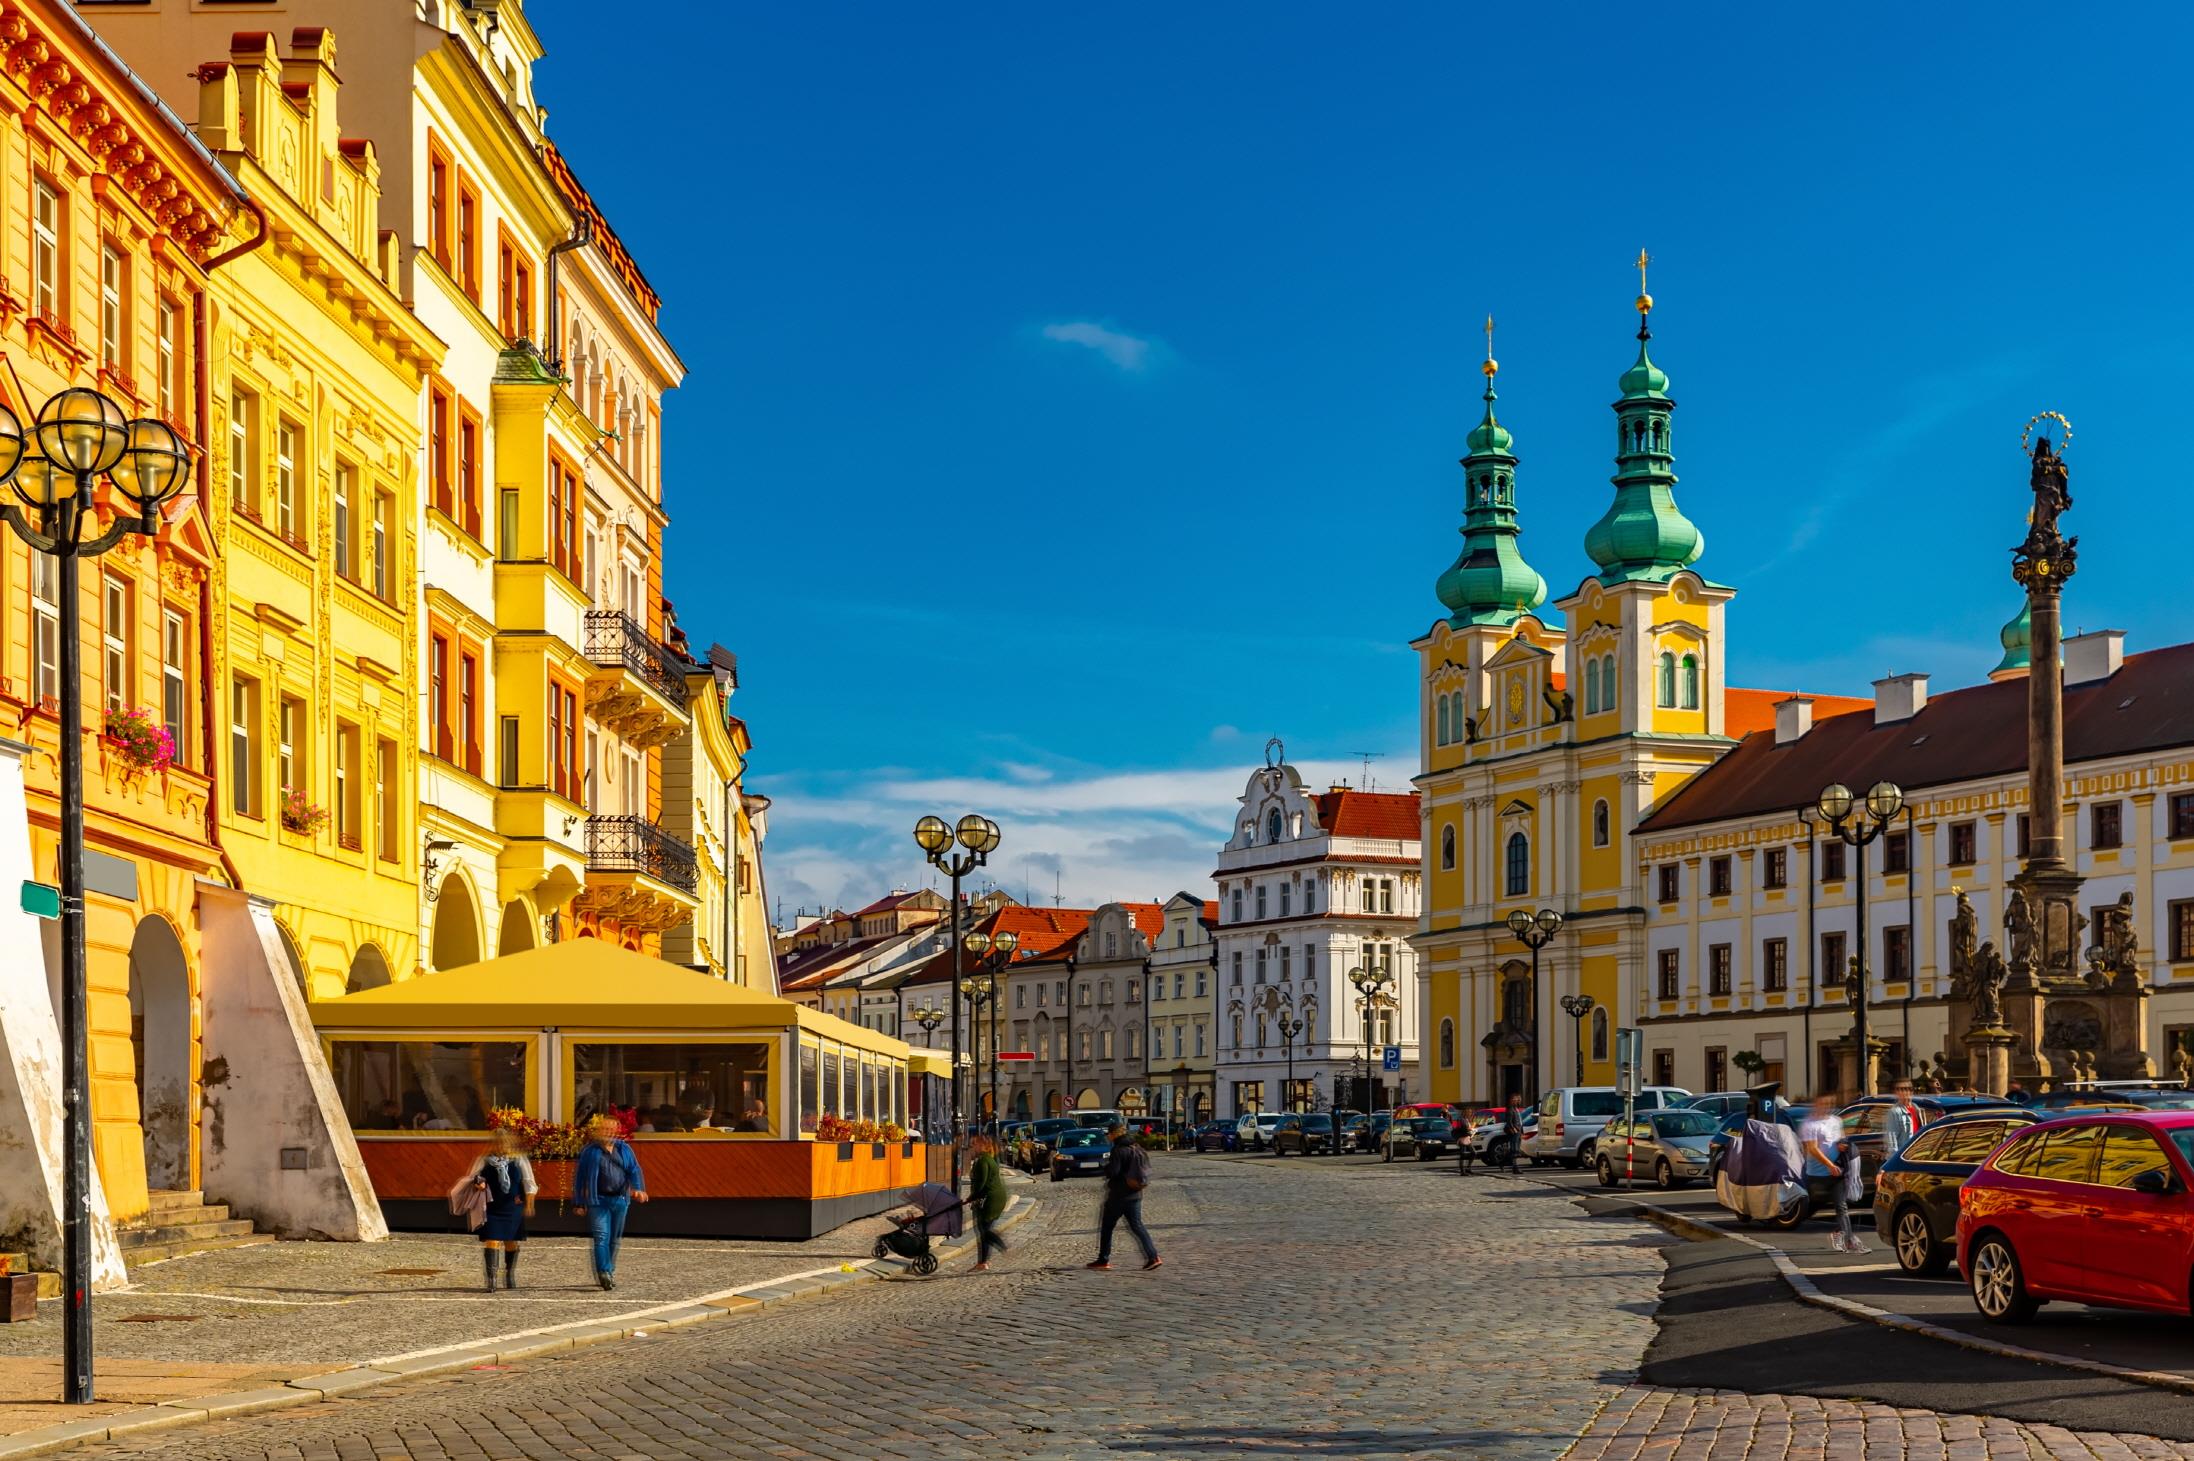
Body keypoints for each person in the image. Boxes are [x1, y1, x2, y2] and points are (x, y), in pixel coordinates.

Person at [572, 1116, 649, 1290]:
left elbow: (634, 1170)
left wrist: (638, 1189)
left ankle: (609, 1270)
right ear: (598, 1131)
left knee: (614, 1239)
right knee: (601, 1237)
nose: (607, 1132)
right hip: (597, 1200)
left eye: (610, 1129)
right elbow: (579, 1178)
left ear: (617, 1131)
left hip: (620, 1199)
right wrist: (578, 1202)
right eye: (603, 1129)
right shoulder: (589, 1151)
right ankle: (604, 1272)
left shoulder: (624, 1149)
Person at [463, 1127, 537, 1291]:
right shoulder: (484, 1160)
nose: (501, 1147)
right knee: (492, 1239)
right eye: (498, 1144)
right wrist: (478, 1184)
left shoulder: (519, 1160)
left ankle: (509, 1274)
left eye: (504, 1143)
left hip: (512, 1207)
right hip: (492, 1207)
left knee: (510, 1242)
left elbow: (529, 1182)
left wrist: (529, 1204)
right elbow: (473, 1179)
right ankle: (492, 1279)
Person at [1800, 1091, 1866, 1254]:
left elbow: (1840, 1139)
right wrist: (1829, 1165)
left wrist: (1842, 1146)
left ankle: (1848, 1240)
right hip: (1816, 1176)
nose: (1827, 1107)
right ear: (1817, 1104)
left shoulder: (1836, 1121)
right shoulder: (1809, 1124)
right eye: (1823, 1104)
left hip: (1836, 1173)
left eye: (1830, 1104)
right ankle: (1781, 1217)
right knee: (1808, 1206)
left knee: (1841, 1206)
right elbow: (1813, 1149)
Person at [1087, 1125, 1160, 1271]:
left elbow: (1113, 1172)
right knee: (1137, 1226)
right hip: (1136, 1192)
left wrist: (1105, 1167)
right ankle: (1153, 1257)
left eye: (1109, 1133)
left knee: (1107, 1227)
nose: (1108, 1136)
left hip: (1119, 1195)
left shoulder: (1118, 1150)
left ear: (1114, 1134)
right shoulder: (1136, 1147)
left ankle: (1103, 1259)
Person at [968, 1135, 1009, 1271]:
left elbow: (981, 1183)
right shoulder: (987, 1159)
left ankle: (997, 1245)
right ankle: (984, 1261)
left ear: (980, 1146)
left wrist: (972, 1197)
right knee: (984, 1229)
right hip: (995, 1198)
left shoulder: (983, 1161)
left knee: (984, 1230)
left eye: (973, 1145)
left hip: (991, 1200)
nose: (971, 1148)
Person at [1883, 1079, 1925, 1160]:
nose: (1903, 1092)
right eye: (1900, 1089)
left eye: (1907, 1089)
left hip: (1917, 1156)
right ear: (1896, 1093)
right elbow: (1891, 1141)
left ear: (1912, 1091)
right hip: (1904, 1158)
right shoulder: (1894, 1112)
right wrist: (1895, 1161)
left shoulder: (1916, 1108)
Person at [1500, 1093, 1528, 1174]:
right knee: (1514, 1150)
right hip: (1514, 1132)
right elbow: (1508, 1122)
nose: (1518, 1101)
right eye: (1516, 1099)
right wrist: (1513, 1129)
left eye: (1519, 1099)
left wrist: (1522, 1132)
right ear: (1512, 1100)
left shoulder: (1517, 1109)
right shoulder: (1510, 1109)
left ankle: (1502, 1163)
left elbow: (1520, 1122)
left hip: (1518, 1131)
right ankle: (1515, 1168)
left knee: (1515, 1151)